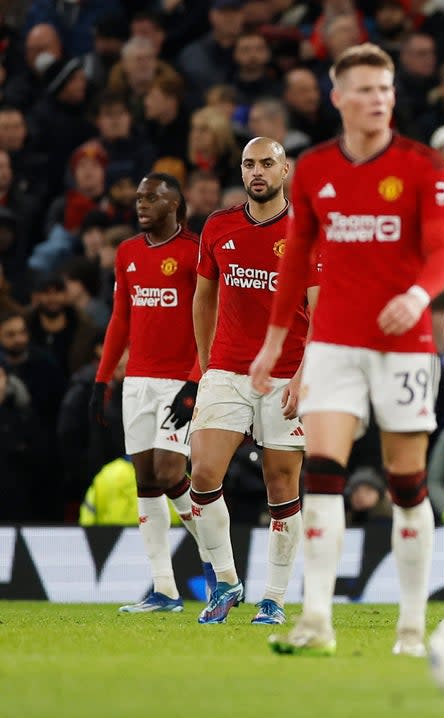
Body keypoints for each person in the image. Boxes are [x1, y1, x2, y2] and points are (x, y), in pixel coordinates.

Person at [249, 43, 444, 658]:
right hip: (333, 344)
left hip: (404, 345)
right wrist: (273, 346)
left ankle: (413, 627)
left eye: (385, 89)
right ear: (338, 97)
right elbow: (292, 271)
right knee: (321, 478)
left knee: (406, 482)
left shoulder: (424, 167)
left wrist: (420, 296)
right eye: (364, 90)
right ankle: (316, 618)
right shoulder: (313, 169)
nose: (377, 100)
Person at [189, 137, 317, 626]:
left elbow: (322, 313)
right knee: (202, 473)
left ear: (285, 171)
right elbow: (203, 298)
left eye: (267, 163)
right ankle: (225, 581)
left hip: (287, 372)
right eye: (249, 163)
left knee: (281, 484)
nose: (257, 171)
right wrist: (207, 364)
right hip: (227, 370)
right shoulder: (218, 226)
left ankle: (275, 597)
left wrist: (305, 376)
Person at [90, 172, 212, 613]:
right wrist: (103, 378)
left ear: (175, 204)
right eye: (138, 197)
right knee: (146, 482)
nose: (140, 205)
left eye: (151, 198)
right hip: (137, 381)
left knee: (167, 471)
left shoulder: (195, 251)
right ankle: (164, 590)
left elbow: (210, 322)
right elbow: (121, 317)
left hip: (180, 379)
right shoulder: (127, 253)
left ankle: (218, 559)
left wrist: (196, 381)